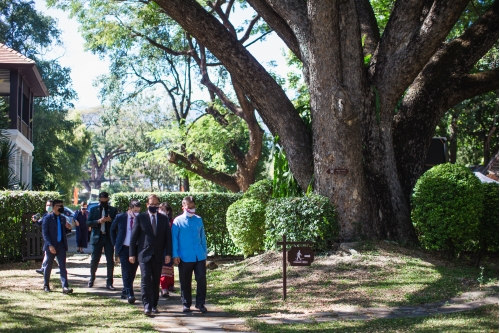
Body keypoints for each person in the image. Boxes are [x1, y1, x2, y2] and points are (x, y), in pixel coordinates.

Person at [129, 194, 172, 316]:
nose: (153, 206)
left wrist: (168, 253)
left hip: (158, 255)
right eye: (151, 204)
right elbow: (133, 238)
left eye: (155, 204)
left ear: (158, 205)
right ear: (147, 205)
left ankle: (154, 305)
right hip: (144, 255)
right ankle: (146, 305)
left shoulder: (163, 219)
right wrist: (132, 254)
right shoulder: (140, 218)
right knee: (145, 279)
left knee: (155, 281)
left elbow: (168, 239)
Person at [172, 196, 208, 313]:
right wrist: (175, 255)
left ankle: (200, 303)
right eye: (189, 207)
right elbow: (174, 239)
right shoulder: (177, 221)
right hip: (184, 256)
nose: (192, 209)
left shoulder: (199, 219)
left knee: (201, 278)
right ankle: (186, 304)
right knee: (185, 281)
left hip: (199, 256)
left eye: (193, 207)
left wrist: (204, 253)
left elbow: (203, 238)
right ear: (183, 207)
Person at [110, 199, 141, 304]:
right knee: (126, 271)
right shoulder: (120, 217)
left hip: (136, 248)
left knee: (132, 271)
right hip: (124, 247)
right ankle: (130, 294)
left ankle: (125, 290)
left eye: (138, 211)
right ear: (129, 209)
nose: (136, 213)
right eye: (135, 210)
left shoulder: (140, 218)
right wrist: (115, 243)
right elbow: (112, 230)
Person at [87, 192, 118, 290]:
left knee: (110, 261)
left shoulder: (113, 210)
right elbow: (88, 223)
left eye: (105, 201)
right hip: (97, 237)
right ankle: (92, 278)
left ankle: (109, 282)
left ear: (108, 200)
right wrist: (98, 221)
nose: (103, 203)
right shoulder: (93, 210)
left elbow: (118, 223)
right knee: (94, 260)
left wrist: (111, 220)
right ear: (99, 200)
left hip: (108, 238)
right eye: (101, 201)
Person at [41, 200, 73, 293]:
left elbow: (64, 232)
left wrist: (68, 228)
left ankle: (65, 287)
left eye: (62, 206)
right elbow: (45, 233)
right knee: (48, 266)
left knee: (62, 266)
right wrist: (50, 245)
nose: (61, 208)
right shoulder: (47, 218)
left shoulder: (63, 218)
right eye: (60, 206)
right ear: (54, 207)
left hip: (61, 245)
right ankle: (46, 285)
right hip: (51, 245)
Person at [158, 202, 175, 297]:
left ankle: (170, 285)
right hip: (160, 248)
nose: (161, 211)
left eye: (163, 210)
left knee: (169, 266)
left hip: (170, 248)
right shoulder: (157, 220)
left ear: (168, 212)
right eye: (160, 209)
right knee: (163, 269)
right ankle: (163, 288)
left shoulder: (172, 222)